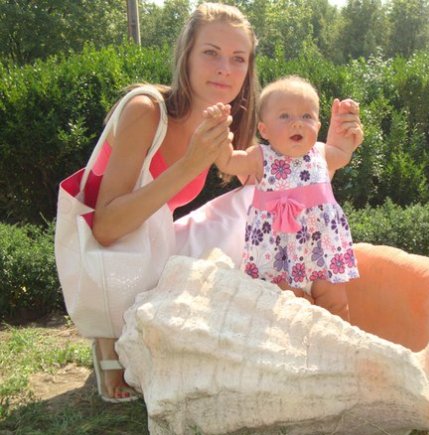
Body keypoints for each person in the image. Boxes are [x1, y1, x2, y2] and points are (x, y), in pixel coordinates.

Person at [78, 5, 362, 402]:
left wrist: (334, 150)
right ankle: (111, 331)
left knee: (256, 202)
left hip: (156, 240)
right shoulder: (146, 110)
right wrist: (189, 165)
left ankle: (301, 325)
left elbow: (287, 186)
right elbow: (105, 228)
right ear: (186, 56)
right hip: (114, 253)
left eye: (238, 58)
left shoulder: (230, 119)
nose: (224, 69)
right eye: (211, 53)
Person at [212, 75, 363, 321]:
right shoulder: (260, 156)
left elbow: (342, 153)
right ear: (264, 130)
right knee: (287, 307)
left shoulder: (321, 152)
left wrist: (343, 132)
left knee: (336, 303)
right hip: (278, 256)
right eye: (285, 116)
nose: (297, 124)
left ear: (318, 125)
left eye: (307, 116)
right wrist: (219, 134)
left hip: (322, 248)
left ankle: (338, 340)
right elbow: (228, 162)